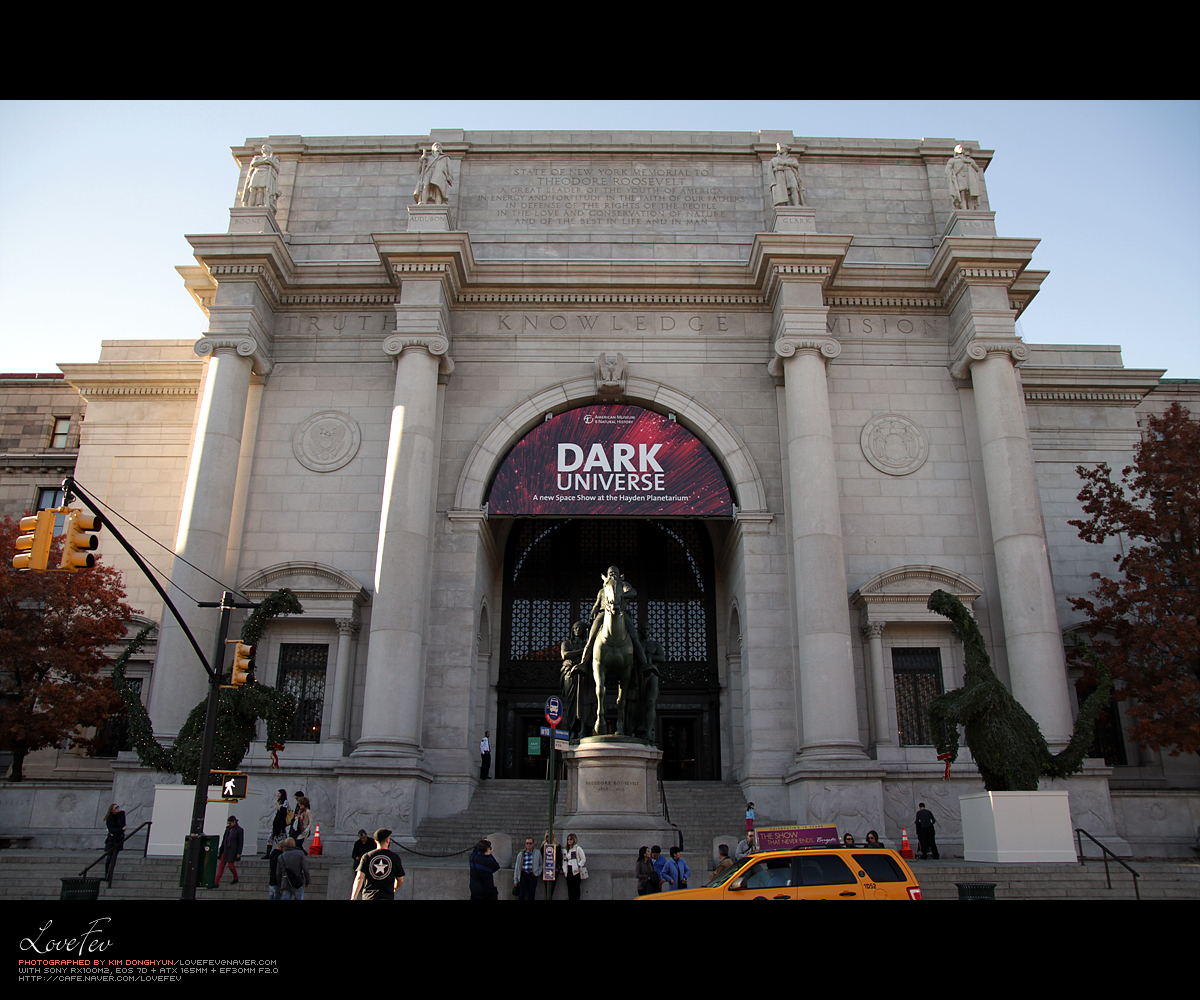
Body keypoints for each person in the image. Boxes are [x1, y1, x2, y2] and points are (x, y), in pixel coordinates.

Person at [352, 828, 406, 900]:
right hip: (386, 897)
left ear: (375, 842)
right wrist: (395, 886)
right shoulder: (394, 857)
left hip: (369, 897)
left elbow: (359, 877)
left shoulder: (367, 856)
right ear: (387, 840)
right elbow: (400, 879)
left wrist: (353, 898)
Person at [945, 144, 982, 211]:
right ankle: (964, 209)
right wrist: (953, 174)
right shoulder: (953, 160)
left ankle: (971, 209)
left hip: (970, 177)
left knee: (971, 194)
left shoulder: (969, 159)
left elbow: (977, 169)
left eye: (961, 147)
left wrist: (971, 162)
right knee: (962, 193)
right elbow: (947, 170)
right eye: (959, 147)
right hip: (960, 177)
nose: (961, 148)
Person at [214, 815, 244, 887]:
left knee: (230, 865)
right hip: (225, 849)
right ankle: (216, 882)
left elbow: (240, 842)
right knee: (221, 865)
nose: (229, 825)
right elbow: (224, 840)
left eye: (230, 823)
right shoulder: (227, 829)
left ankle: (235, 877)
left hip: (232, 850)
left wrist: (239, 852)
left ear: (234, 822)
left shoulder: (239, 830)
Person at [103, 803, 126, 883]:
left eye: (117, 807)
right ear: (112, 810)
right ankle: (107, 874)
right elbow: (112, 830)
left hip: (118, 839)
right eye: (116, 808)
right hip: (112, 840)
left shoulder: (121, 816)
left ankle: (109, 874)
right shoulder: (109, 819)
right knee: (109, 857)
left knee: (114, 857)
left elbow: (123, 826)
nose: (117, 808)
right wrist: (120, 830)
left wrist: (119, 830)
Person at [266, 789, 289, 858]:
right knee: (270, 837)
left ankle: (284, 851)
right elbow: (276, 813)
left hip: (281, 823)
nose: (278, 795)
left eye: (279, 794)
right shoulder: (279, 801)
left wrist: (277, 805)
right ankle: (268, 853)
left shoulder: (285, 802)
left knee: (282, 838)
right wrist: (273, 822)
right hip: (276, 822)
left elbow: (282, 811)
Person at [563, 832, 587, 900]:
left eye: (570, 839)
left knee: (576, 888)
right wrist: (564, 869)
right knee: (570, 888)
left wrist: (578, 866)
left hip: (576, 871)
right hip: (568, 870)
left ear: (574, 840)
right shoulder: (566, 850)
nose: (569, 841)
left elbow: (583, 859)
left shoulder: (577, 848)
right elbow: (564, 860)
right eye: (568, 839)